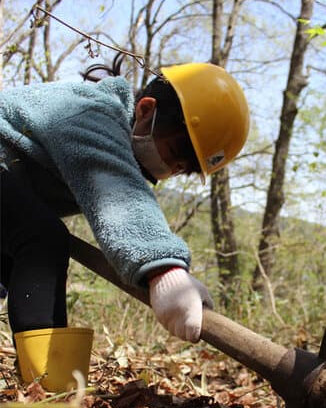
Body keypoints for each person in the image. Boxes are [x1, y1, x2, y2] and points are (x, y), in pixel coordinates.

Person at [0, 54, 250, 390]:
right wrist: (163, 269)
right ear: (145, 110)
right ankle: (45, 388)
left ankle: (46, 385)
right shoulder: (90, 113)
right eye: (176, 151)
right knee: (43, 239)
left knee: (15, 255)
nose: (170, 168)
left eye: (182, 168)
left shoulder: (107, 128)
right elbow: (116, 190)